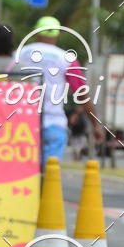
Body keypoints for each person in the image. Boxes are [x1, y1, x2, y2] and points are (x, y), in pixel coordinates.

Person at [17, 15, 104, 168]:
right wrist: (95, 125)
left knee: (24, 175)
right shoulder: (66, 58)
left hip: (23, 123)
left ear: (37, 33)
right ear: (57, 34)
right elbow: (82, 94)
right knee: (50, 176)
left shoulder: (20, 54)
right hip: (54, 123)